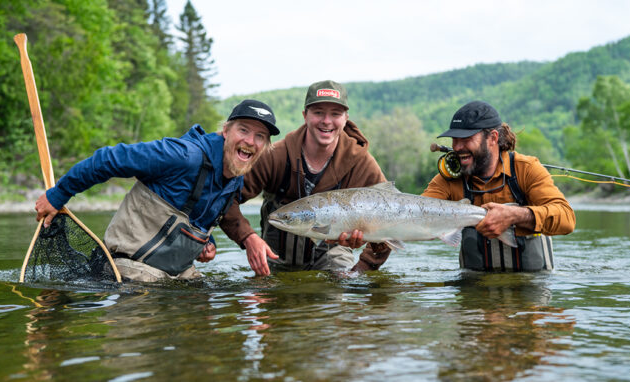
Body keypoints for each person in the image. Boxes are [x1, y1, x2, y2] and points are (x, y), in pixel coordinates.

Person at [34, 99, 280, 282]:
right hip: (127, 269)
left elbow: (198, 212)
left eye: (260, 136)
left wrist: (206, 240)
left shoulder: (236, 176)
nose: (251, 141)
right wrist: (59, 194)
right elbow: (107, 159)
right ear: (226, 131)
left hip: (176, 273)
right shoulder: (182, 155)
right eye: (244, 130)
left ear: (265, 146)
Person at [220, 80, 391, 275]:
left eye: (335, 114)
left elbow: (392, 220)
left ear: (345, 119)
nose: (326, 121)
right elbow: (225, 198)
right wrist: (247, 237)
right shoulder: (276, 156)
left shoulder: (361, 163)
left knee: (339, 295)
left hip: (334, 258)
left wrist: (362, 268)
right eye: (318, 112)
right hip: (274, 259)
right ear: (305, 116)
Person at [422, 100, 575, 271]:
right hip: (475, 290)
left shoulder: (526, 169)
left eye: (466, 139)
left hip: (531, 287)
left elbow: (567, 219)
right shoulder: (447, 180)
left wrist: (517, 215)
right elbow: (416, 216)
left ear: (493, 138)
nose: (457, 147)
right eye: (454, 140)